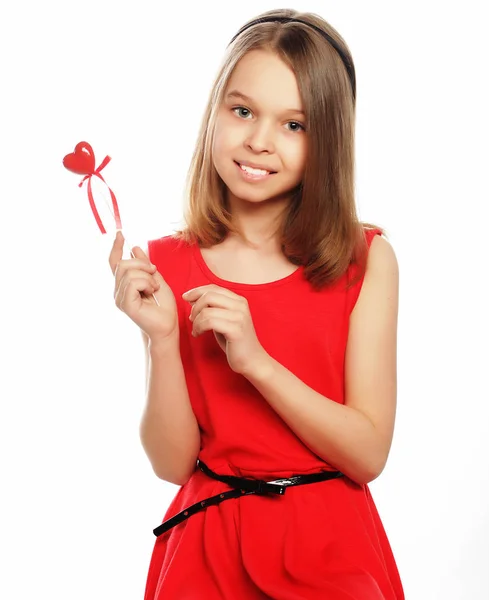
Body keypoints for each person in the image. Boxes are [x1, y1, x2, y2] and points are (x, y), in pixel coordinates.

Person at [108, 8, 403, 599]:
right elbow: (172, 464)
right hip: (204, 548)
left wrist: (258, 363)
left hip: (330, 548)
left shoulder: (365, 259)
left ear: (329, 139)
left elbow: (368, 453)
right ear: (214, 112)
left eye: (294, 125)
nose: (259, 141)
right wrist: (164, 339)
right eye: (242, 111)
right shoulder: (167, 262)